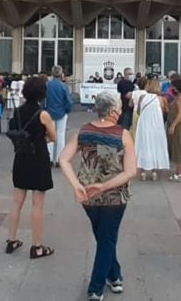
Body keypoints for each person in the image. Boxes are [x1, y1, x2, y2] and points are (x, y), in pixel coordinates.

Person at [58, 91, 137, 301]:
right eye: (119, 108)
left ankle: (115, 275)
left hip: (87, 195)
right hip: (115, 195)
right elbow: (130, 171)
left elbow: (63, 159)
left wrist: (76, 185)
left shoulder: (82, 132)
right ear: (112, 112)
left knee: (104, 238)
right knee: (107, 239)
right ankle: (96, 288)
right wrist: (103, 187)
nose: (121, 112)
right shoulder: (123, 134)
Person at [5, 76, 57, 259]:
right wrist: (43, 139)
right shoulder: (43, 114)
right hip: (38, 157)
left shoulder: (17, 112)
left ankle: (11, 240)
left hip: (21, 157)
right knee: (38, 203)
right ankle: (37, 246)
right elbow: (54, 136)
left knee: (16, 200)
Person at [133, 78, 169, 181]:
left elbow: (139, 111)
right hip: (156, 124)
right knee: (155, 144)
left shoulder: (142, 97)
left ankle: (143, 171)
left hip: (144, 123)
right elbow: (165, 111)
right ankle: (154, 171)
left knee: (144, 144)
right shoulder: (162, 99)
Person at [45, 65, 73, 164]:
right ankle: (58, 159)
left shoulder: (47, 85)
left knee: (49, 134)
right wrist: (67, 110)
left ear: (52, 74)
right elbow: (69, 101)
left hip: (49, 112)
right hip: (61, 112)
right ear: (61, 74)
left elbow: (43, 100)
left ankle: (48, 158)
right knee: (60, 135)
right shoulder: (64, 86)